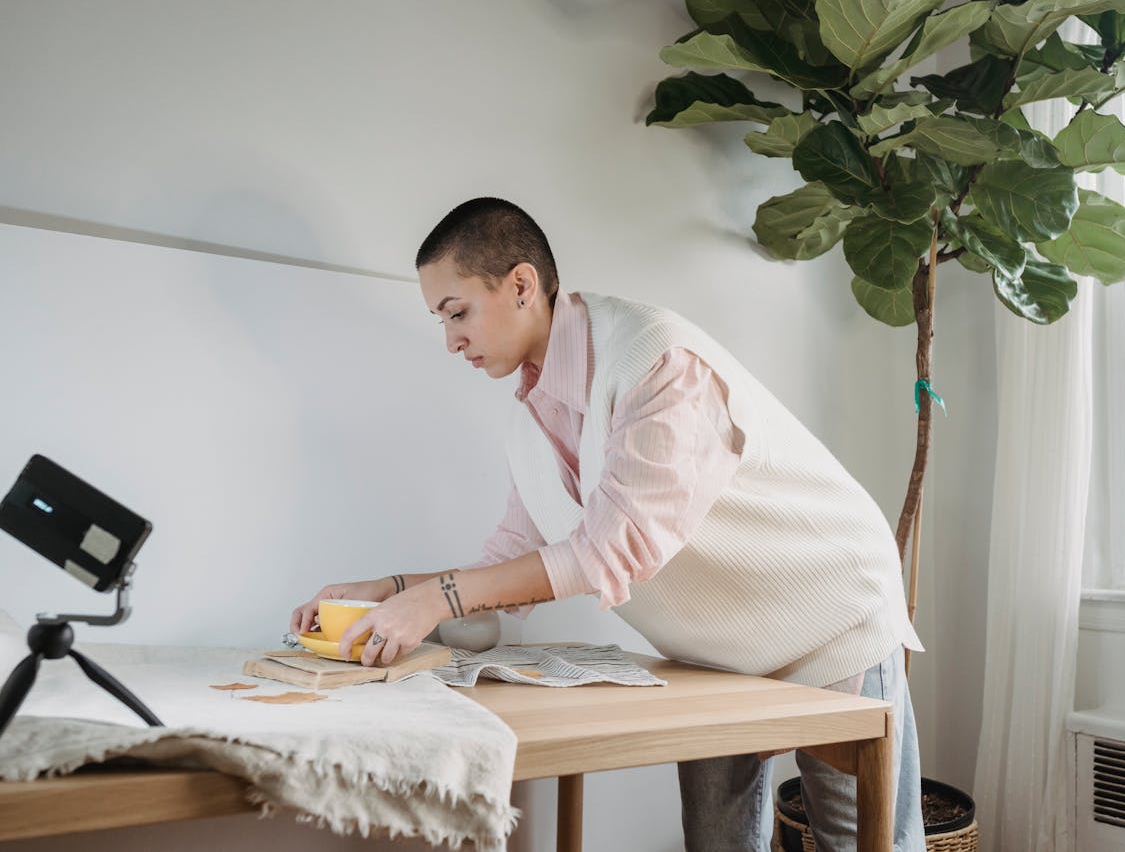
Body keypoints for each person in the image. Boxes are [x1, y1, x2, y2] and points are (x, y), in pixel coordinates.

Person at [289, 197, 926, 852]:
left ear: (521, 285)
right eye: (440, 319)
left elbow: (605, 552)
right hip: (717, 653)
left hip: (827, 613)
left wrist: (431, 598)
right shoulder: (529, 422)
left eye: (457, 313)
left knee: (864, 842)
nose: (449, 338)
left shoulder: (658, 362)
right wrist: (391, 588)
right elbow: (507, 566)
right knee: (717, 843)